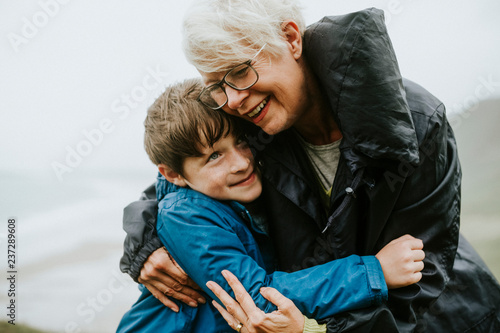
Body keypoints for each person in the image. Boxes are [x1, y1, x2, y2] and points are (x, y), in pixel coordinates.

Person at [120, 1, 500, 332]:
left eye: (240, 71)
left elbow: (421, 277)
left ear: (291, 38)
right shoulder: (247, 119)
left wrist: (315, 331)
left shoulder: (416, 124)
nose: (233, 99)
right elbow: (181, 180)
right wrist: (145, 244)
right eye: (218, 84)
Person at [117, 78, 425, 332]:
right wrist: (374, 272)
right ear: (173, 174)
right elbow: (257, 299)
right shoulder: (186, 217)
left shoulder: (228, 195)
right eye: (214, 156)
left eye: (240, 141)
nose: (241, 162)